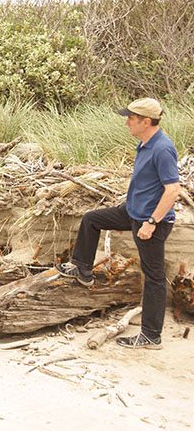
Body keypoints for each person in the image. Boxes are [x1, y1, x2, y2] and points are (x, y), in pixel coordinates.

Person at [56, 97, 182, 350]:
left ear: (146, 122)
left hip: (150, 222)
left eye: (131, 118)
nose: (127, 122)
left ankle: (151, 336)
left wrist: (151, 222)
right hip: (133, 213)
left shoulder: (162, 148)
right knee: (92, 219)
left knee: (154, 277)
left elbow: (173, 190)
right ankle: (83, 270)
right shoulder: (145, 143)